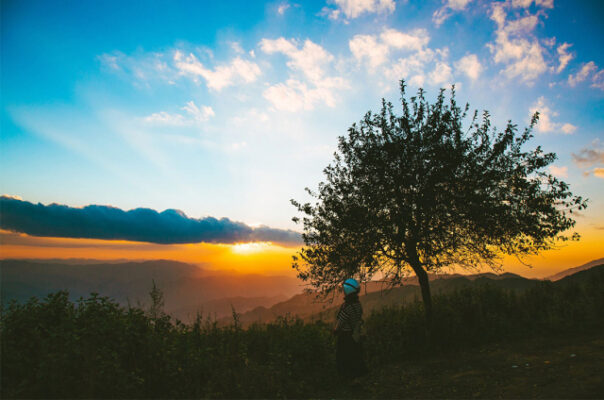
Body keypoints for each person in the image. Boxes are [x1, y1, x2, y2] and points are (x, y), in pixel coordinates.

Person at [334, 278, 368, 380]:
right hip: (354, 334)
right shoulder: (358, 304)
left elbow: (340, 323)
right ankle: (357, 376)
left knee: (344, 358)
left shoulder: (347, 307)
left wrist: (335, 331)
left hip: (345, 336)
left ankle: (347, 378)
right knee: (354, 356)